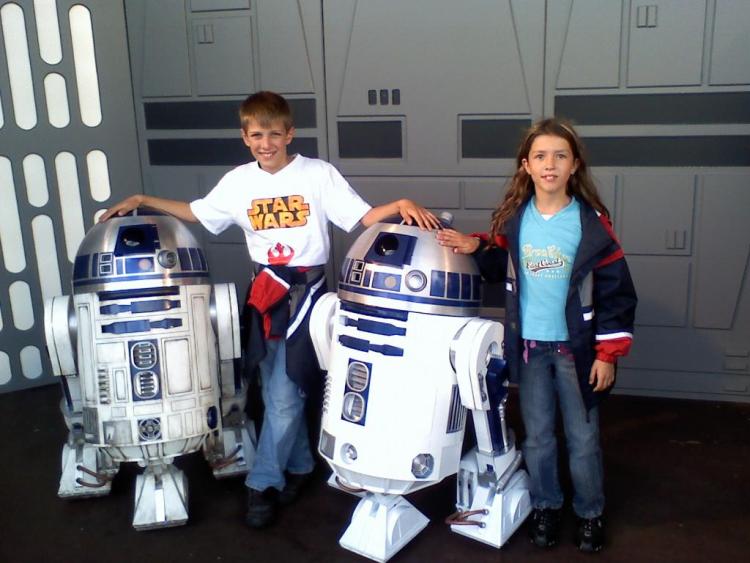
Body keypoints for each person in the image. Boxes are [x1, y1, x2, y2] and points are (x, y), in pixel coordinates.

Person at [100, 91, 440, 528]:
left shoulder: (317, 175)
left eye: (275, 134)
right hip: (264, 295)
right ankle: (299, 466)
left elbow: (361, 216)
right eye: (257, 135)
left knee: (283, 393)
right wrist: (142, 199)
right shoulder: (239, 182)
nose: (266, 143)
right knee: (276, 389)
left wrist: (400, 204)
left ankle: (261, 484)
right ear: (245, 137)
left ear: (290, 134)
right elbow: (198, 214)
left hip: (306, 294)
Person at [437, 118, 636, 553]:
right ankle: (546, 505)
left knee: (583, 439)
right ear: (526, 165)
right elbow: (500, 266)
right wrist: (476, 247)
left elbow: (617, 293)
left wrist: (608, 354)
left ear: (574, 165)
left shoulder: (591, 225)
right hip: (528, 351)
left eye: (560, 156)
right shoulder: (515, 221)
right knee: (538, 437)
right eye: (541, 156)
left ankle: (590, 512)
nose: (550, 164)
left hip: (576, 353)